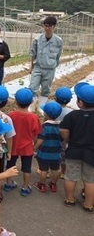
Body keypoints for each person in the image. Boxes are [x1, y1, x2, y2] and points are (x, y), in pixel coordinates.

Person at [60, 82, 94, 213]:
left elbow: (63, 130)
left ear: (80, 103)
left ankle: (69, 199)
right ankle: (88, 204)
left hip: (73, 151)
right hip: (91, 154)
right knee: (90, 180)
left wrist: (68, 139)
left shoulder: (72, 116)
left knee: (71, 176)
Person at [5, 88, 42, 197]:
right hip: (27, 147)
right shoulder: (34, 117)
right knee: (27, 168)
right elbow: (36, 134)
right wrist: (34, 146)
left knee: (10, 165)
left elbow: (7, 131)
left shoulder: (11, 115)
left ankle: (8, 183)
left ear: (15, 101)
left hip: (13, 145)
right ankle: (25, 187)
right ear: (31, 102)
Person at [28, 16, 63, 112]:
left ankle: (41, 107)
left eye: (50, 26)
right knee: (33, 87)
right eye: (45, 26)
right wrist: (31, 67)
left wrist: (54, 66)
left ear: (54, 27)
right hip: (38, 67)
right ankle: (31, 107)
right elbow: (32, 54)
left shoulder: (58, 41)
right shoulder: (37, 39)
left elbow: (58, 55)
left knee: (46, 89)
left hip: (50, 69)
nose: (47, 28)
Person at [33, 102, 62, 193]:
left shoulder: (44, 127)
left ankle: (42, 185)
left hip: (44, 153)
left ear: (45, 114)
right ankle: (53, 184)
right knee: (55, 169)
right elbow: (62, 138)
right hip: (56, 153)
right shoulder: (61, 126)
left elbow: (41, 140)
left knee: (44, 170)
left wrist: (34, 147)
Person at [54, 86, 73, 178]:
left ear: (55, 98)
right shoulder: (70, 112)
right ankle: (63, 172)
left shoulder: (52, 108)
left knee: (51, 154)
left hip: (52, 136)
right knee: (63, 156)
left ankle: (49, 171)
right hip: (64, 139)